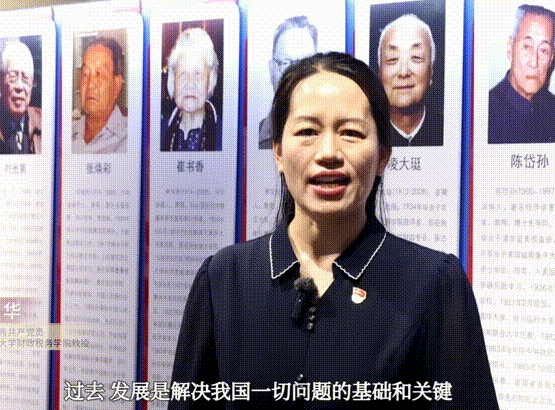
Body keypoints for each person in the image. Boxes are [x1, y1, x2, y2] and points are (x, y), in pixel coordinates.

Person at [170, 52, 498, 409]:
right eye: (307, 132)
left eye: (351, 133)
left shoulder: (433, 284)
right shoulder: (224, 278)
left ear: (383, 156)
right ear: (278, 152)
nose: (328, 153)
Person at [488, 4, 555, 144]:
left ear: (552, 58)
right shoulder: (486, 113)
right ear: (510, 48)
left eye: (543, 50)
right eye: (527, 46)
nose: (534, 62)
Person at [378, 14, 442, 147]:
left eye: (416, 58)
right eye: (392, 59)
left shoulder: (446, 130)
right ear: (379, 73)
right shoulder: (369, 133)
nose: (403, 73)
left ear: (431, 71)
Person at [258, 15, 318, 149]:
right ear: (271, 69)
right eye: (285, 63)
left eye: (305, 64)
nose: (294, 74)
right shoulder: (253, 138)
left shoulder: (333, 138)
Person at [161, 28, 221, 151]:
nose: (190, 84)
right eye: (183, 74)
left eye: (198, 74)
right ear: (173, 80)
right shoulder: (157, 131)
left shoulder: (226, 133)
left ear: (210, 81)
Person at [72, 37, 127, 154]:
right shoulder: (66, 133)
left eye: (99, 74)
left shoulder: (129, 137)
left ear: (117, 85)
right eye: (85, 74)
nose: (90, 84)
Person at [0, 40, 42, 154]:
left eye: (25, 77)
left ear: (32, 83)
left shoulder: (43, 121)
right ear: (0, 83)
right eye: (12, 76)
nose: (19, 86)